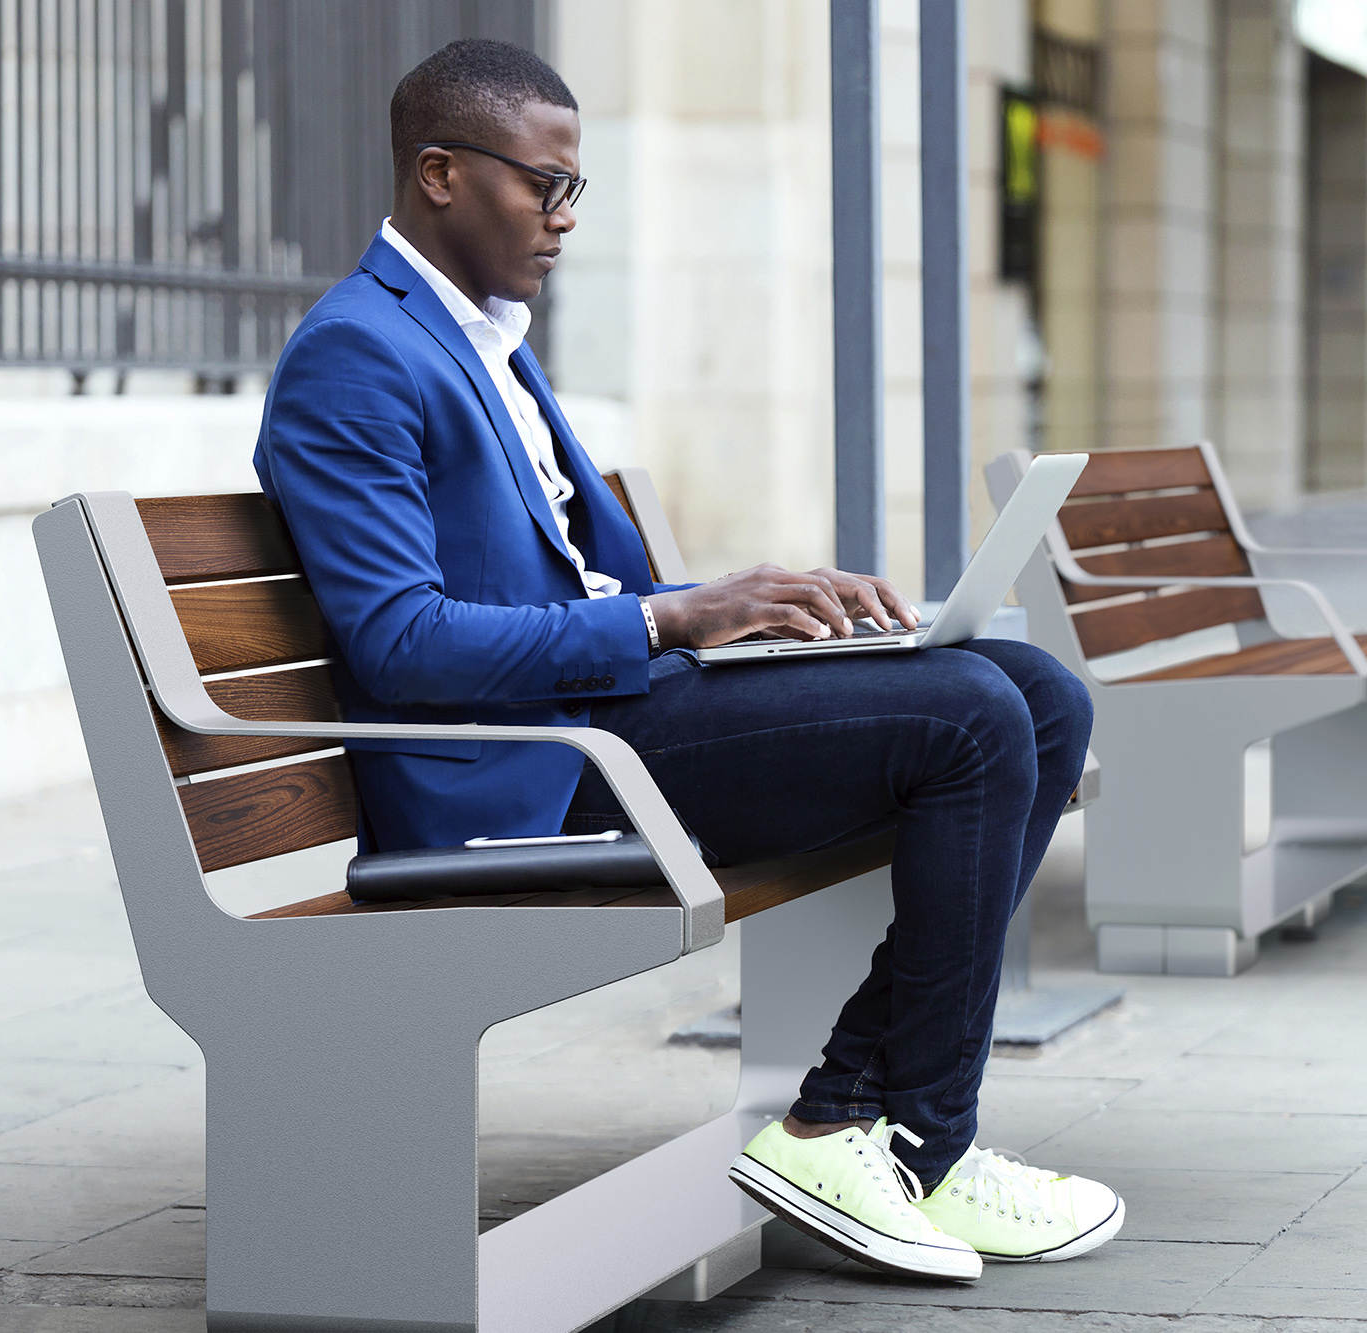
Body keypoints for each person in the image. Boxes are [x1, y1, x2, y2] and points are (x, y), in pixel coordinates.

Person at [252, 38, 1123, 1282]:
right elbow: (400, 641)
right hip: (527, 776)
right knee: (971, 718)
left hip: (602, 715)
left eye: (573, 189)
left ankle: (894, 1136)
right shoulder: (356, 357)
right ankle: (871, 1130)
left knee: (1038, 692)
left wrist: (753, 604)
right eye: (537, 186)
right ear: (438, 174)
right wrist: (674, 622)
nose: (561, 219)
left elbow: (578, 583)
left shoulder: (479, 332)